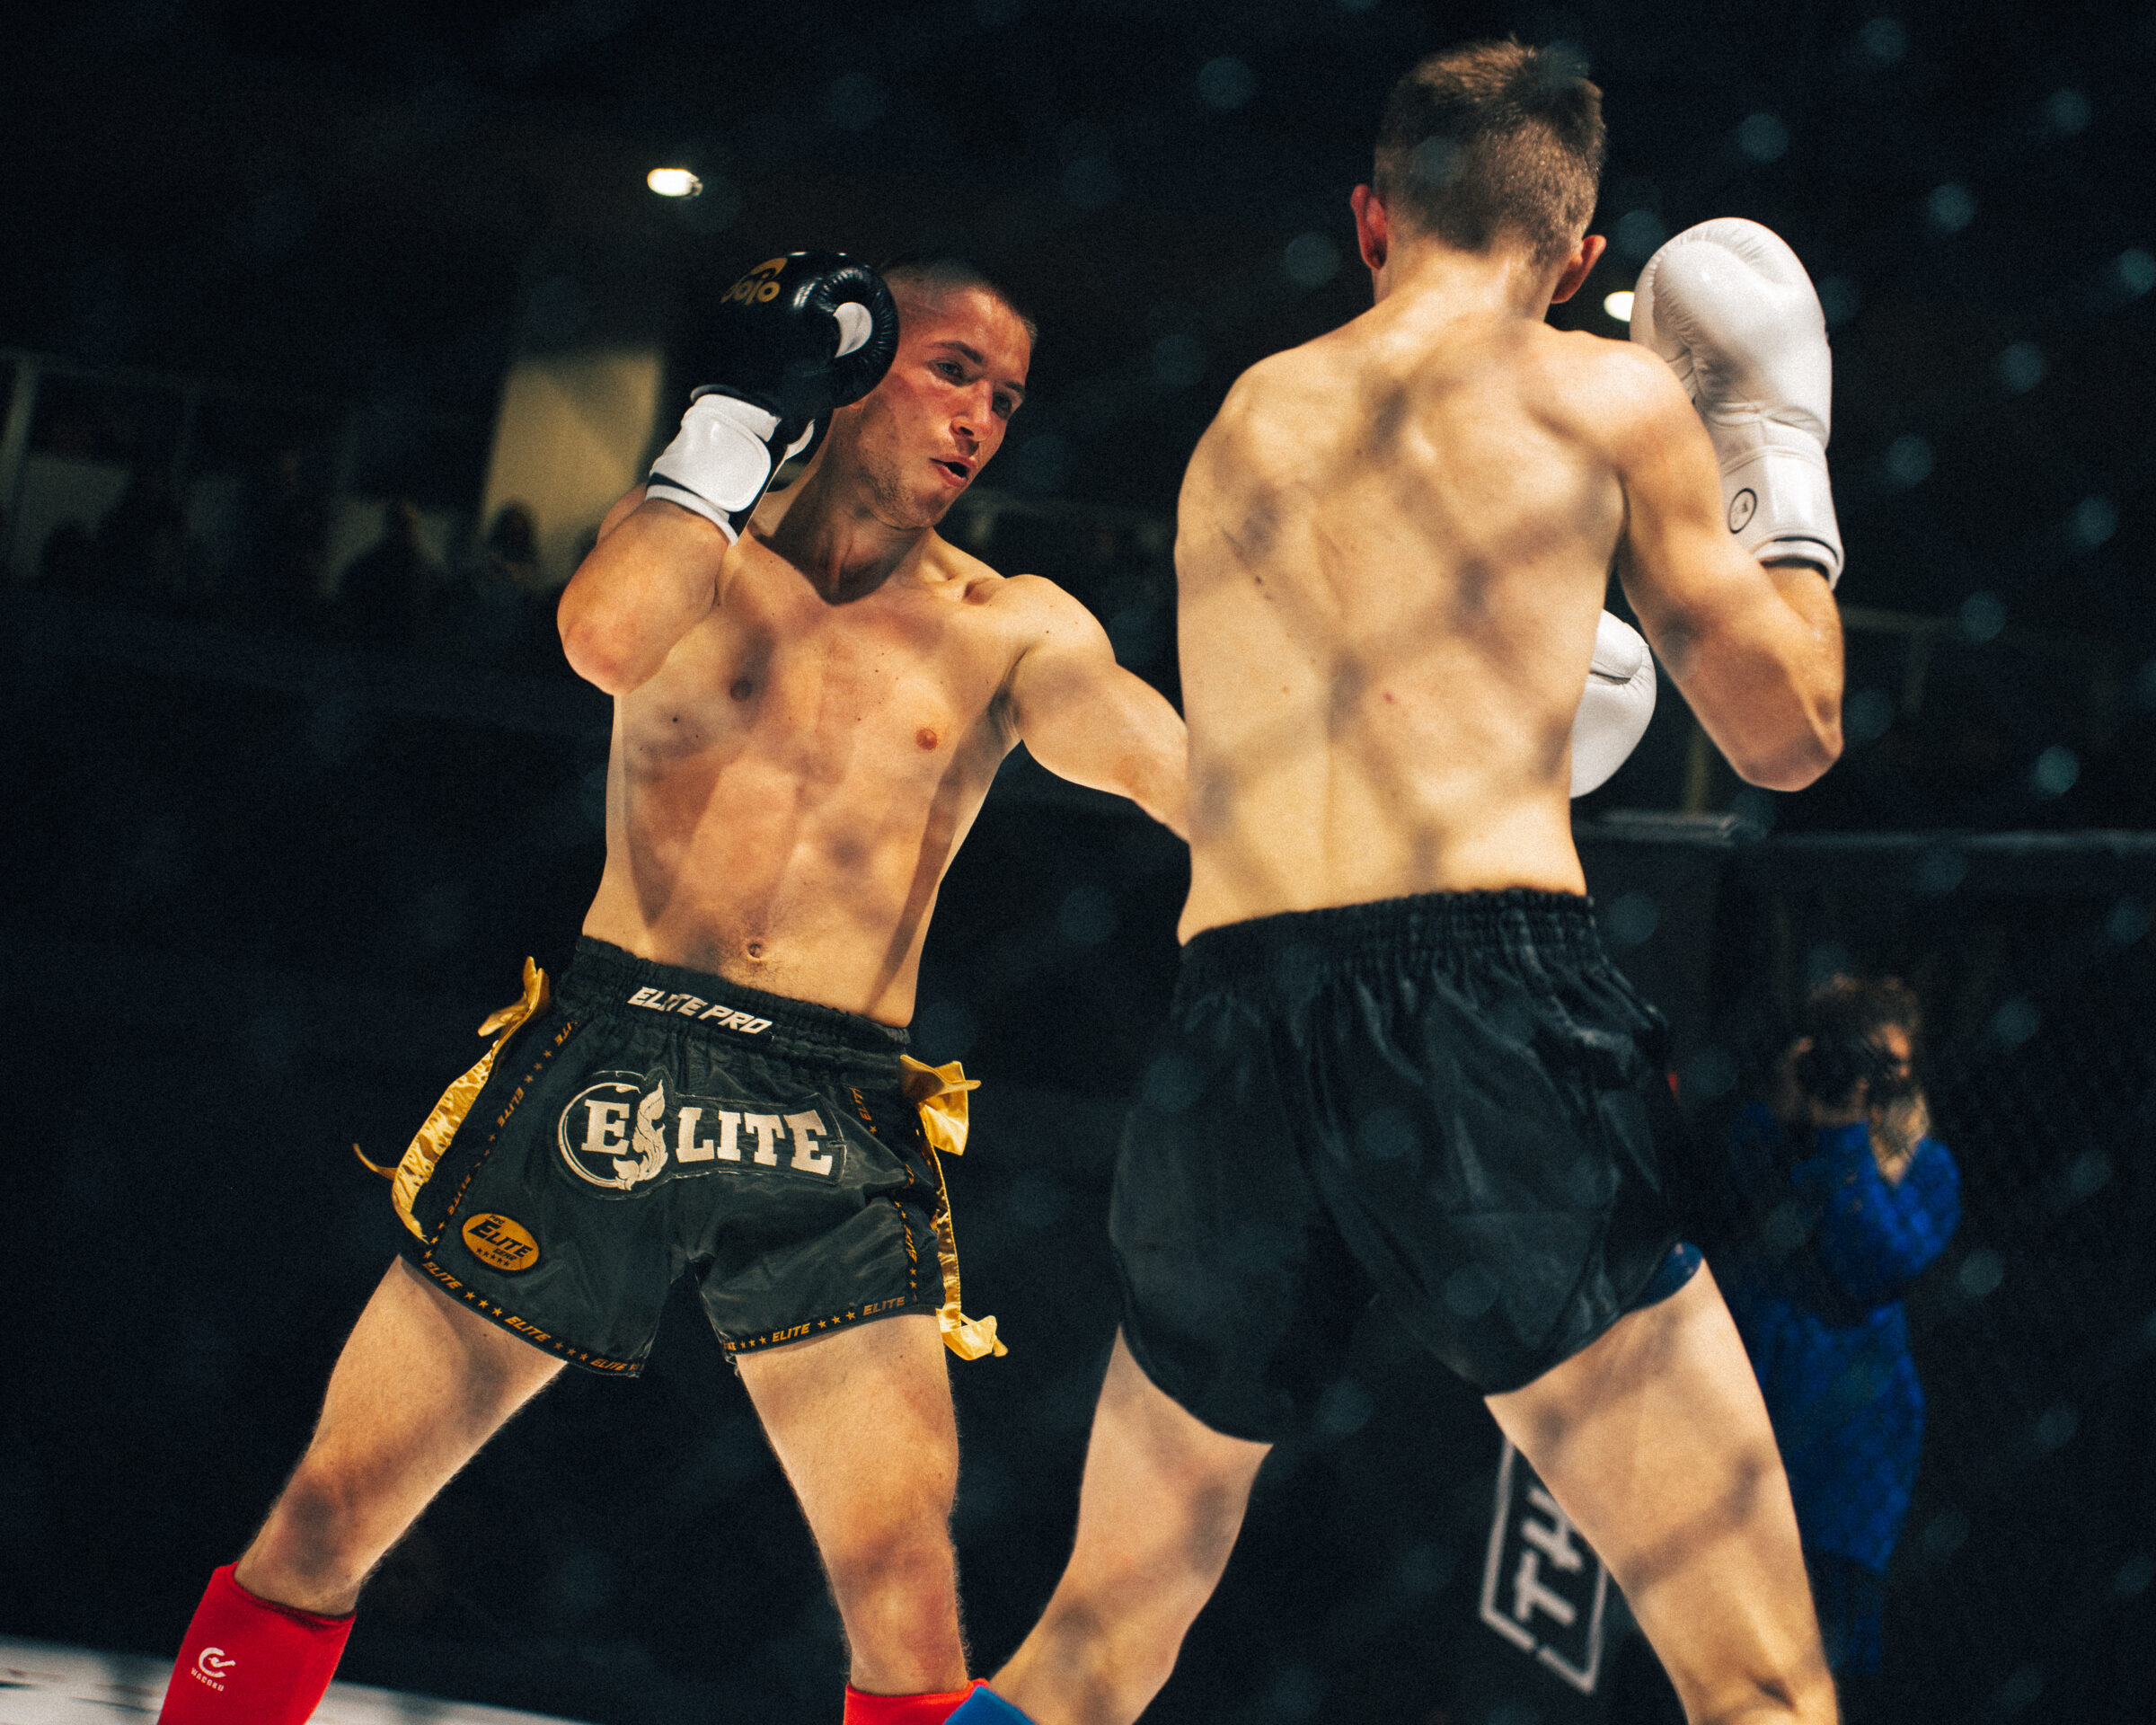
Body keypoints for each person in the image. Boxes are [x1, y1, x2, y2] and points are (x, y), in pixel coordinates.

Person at [155, 252, 1191, 1725]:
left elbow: (1170, 770)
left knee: (905, 1594)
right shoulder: (692, 545)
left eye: (1009, 400)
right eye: (954, 371)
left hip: (833, 1110)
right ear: (855, 362)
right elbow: (603, 640)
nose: (981, 420)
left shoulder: (1014, 624)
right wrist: (735, 419)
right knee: (332, 1515)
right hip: (613, 1052)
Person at [954, 40, 1849, 1725]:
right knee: (1757, 1678)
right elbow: (1789, 734)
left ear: (1369, 220)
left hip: (1227, 1030)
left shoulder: (1244, 421)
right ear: (1580, 261)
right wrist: (1771, 456)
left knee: (1086, 1656)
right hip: (1487, 1019)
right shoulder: (1604, 397)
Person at [1714, 977, 1961, 1718]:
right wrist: (1787, 1106)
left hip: (1843, 1465)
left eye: (1887, 1065)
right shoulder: (1771, 1135)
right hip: (1739, 1432)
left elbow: (1874, 1264)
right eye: (1852, 1058)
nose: (1866, 1081)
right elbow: (1726, 1198)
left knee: (1805, 1680)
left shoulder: (1926, 1169)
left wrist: (1843, 1134)